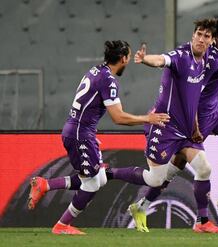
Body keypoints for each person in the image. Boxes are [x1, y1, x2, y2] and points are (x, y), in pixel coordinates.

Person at [27, 40, 170, 235]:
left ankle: (45, 184)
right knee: (92, 183)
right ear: (123, 58)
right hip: (80, 134)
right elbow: (118, 117)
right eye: (128, 57)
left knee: (99, 178)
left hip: (79, 131)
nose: (128, 61)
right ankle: (62, 225)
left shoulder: (96, 70)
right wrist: (148, 118)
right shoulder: (109, 81)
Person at [129, 17, 218, 233]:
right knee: (175, 169)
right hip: (197, 117)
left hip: (216, 110)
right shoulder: (206, 60)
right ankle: (149, 207)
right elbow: (191, 94)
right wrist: (195, 127)